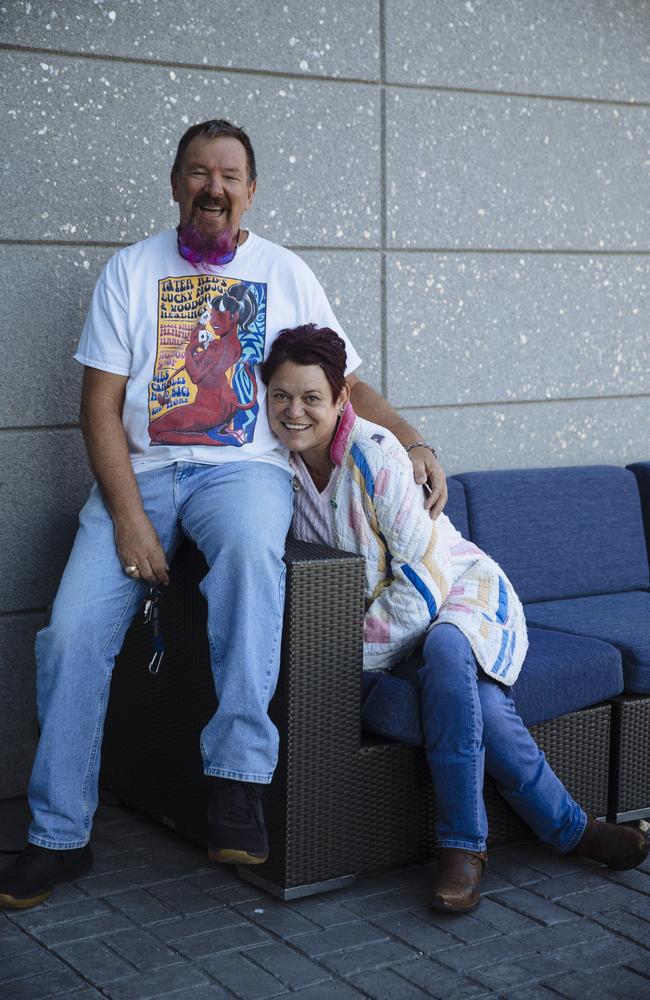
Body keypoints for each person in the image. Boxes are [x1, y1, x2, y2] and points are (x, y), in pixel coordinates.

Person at [0, 119, 448, 911]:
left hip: (243, 473)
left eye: (230, 175)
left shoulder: (286, 273)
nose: (215, 187)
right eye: (200, 173)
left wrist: (412, 439)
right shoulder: (131, 272)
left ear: (250, 190)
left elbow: (346, 384)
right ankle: (57, 837)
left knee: (249, 555)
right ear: (176, 183)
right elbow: (99, 407)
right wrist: (130, 517)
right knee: (69, 629)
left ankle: (237, 780)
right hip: (141, 474)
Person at [260, 323, 649, 914]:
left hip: (454, 590)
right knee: (482, 705)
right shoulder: (273, 467)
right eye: (282, 395)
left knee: (446, 652)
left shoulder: (374, 452)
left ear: (341, 399)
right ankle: (574, 831)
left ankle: (461, 849)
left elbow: (423, 575)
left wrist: (348, 658)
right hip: (388, 626)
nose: (295, 411)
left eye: (312, 397)